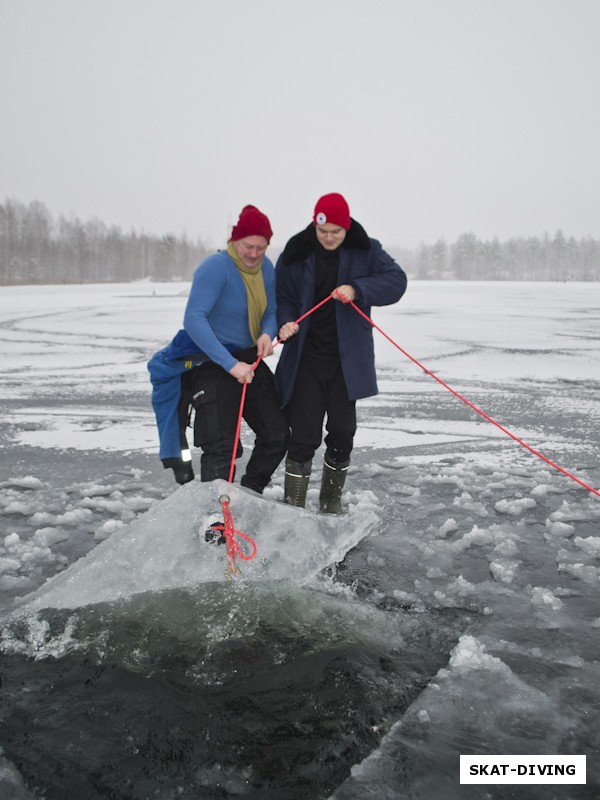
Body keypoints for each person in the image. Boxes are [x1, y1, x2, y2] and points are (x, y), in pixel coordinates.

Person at [275, 192, 407, 513]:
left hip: (348, 361)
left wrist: (358, 288)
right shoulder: (296, 251)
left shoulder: (367, 249)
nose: (330, 237)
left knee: (343, 433)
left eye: (336, 231)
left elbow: (396, 282)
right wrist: (285, 322)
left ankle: (330, 503)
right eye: (324, 231)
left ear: (346, 227)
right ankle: (293, 506)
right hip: (306, 358)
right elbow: (282, 295)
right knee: (304, 435)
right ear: (315, 225)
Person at [148, 205, 289, 493]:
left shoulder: (267, 268)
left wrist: (266, 332)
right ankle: (215, 519)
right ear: (234, 241)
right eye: (248, 246)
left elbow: (271, 310)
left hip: (250, 358)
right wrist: (229, 364)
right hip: (213, 361)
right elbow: (194, 320)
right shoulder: (216, 268)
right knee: (222, 446)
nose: (253, 253)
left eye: (261, 248)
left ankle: (249, 494)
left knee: (277, 435)